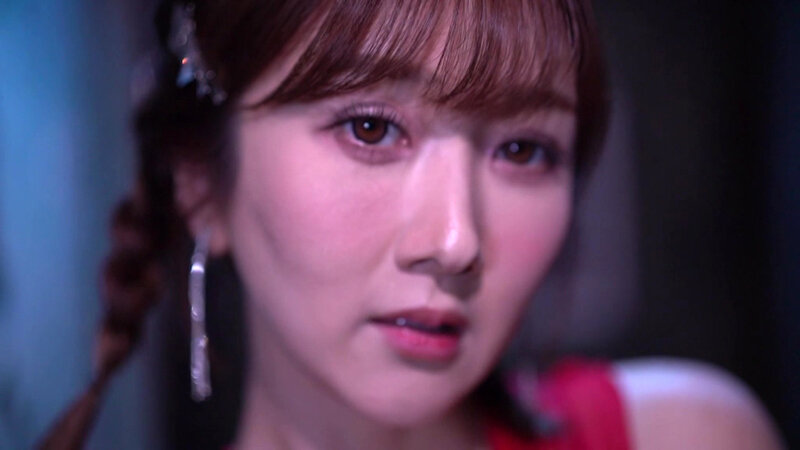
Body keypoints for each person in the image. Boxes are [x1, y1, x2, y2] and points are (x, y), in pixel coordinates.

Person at [40, 0, 783, 449]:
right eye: (370, 129)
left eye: (523, 150)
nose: (456, 242)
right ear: (202, 183)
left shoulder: (687, 436)